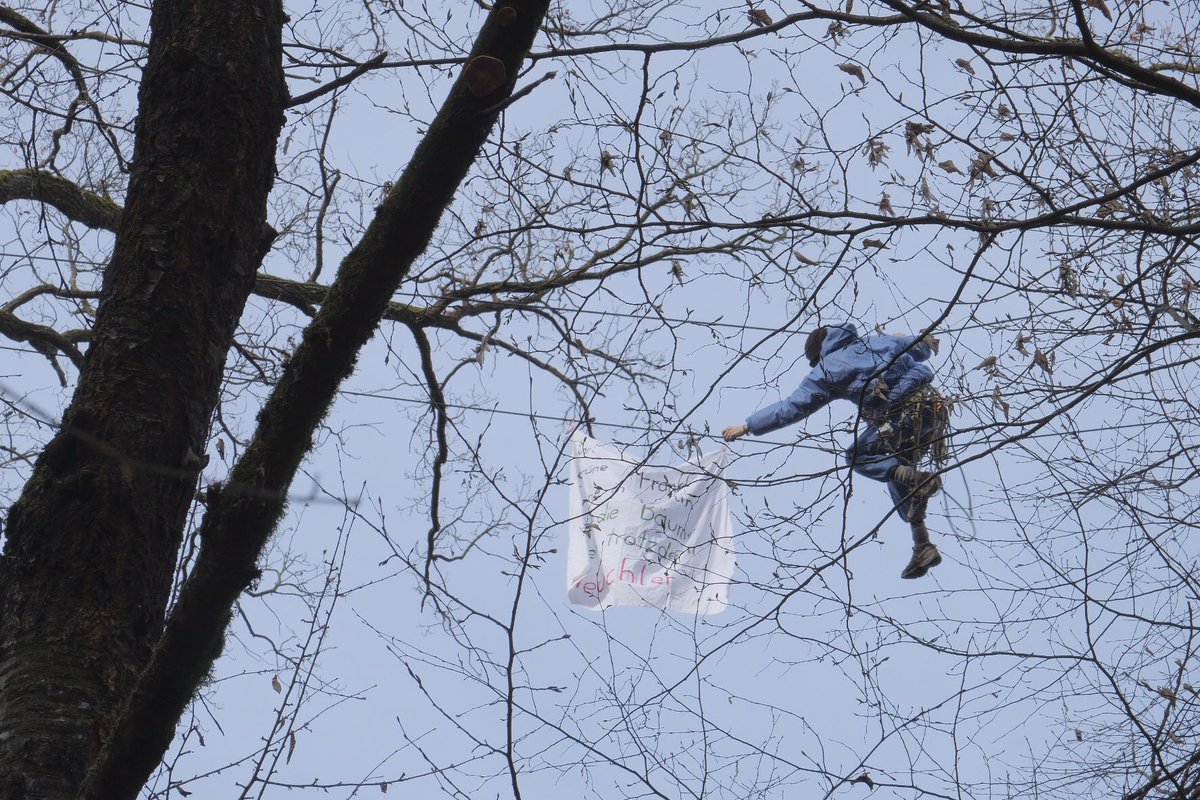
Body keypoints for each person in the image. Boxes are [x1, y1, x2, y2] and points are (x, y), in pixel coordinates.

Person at [723, 322, 950, 579]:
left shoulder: (825, 370)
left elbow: (792, 408)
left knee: (859, 455)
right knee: (895, 469)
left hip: (900, 417)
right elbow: (922, 350)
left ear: (819, 354)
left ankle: (919, 482)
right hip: (933, 409)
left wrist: (747, 426)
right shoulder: (875, 341)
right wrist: (907, 337)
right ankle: (922, 544)